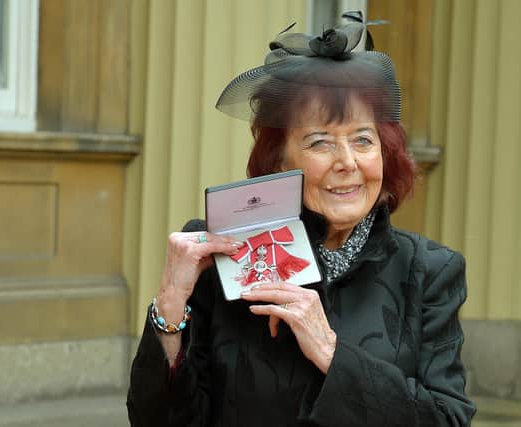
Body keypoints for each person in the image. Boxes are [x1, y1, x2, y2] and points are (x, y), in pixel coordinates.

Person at [127, 13, 476, 427]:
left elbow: (449, 419)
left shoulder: (429, 271)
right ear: (279, 162)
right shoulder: (226, 254)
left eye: (364, 140)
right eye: (320, 142)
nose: (346, 162)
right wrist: (169, 304)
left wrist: (332, 353)